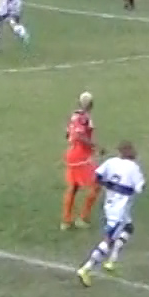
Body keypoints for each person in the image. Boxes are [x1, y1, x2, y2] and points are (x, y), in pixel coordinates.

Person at [77, 142, 147, 286]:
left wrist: (107, 184)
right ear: (129, 152)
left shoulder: (111, 162)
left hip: (110, 205)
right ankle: (86, 268)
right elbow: (140, 188)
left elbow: (96, 177)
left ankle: (112, 260)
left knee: (129, 228)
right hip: (120, 210)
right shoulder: (134, 168)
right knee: (108, 239)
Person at [62, 92, 100, 231]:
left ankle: (66, 221)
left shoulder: (74, 116)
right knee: (96, 185)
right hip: (81, 156)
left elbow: (68, 134)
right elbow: (78, 135)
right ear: (91, 104)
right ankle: (83, 218)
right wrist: (94, 146)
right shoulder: (83, 118)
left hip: (71, 153)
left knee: (73, 187)